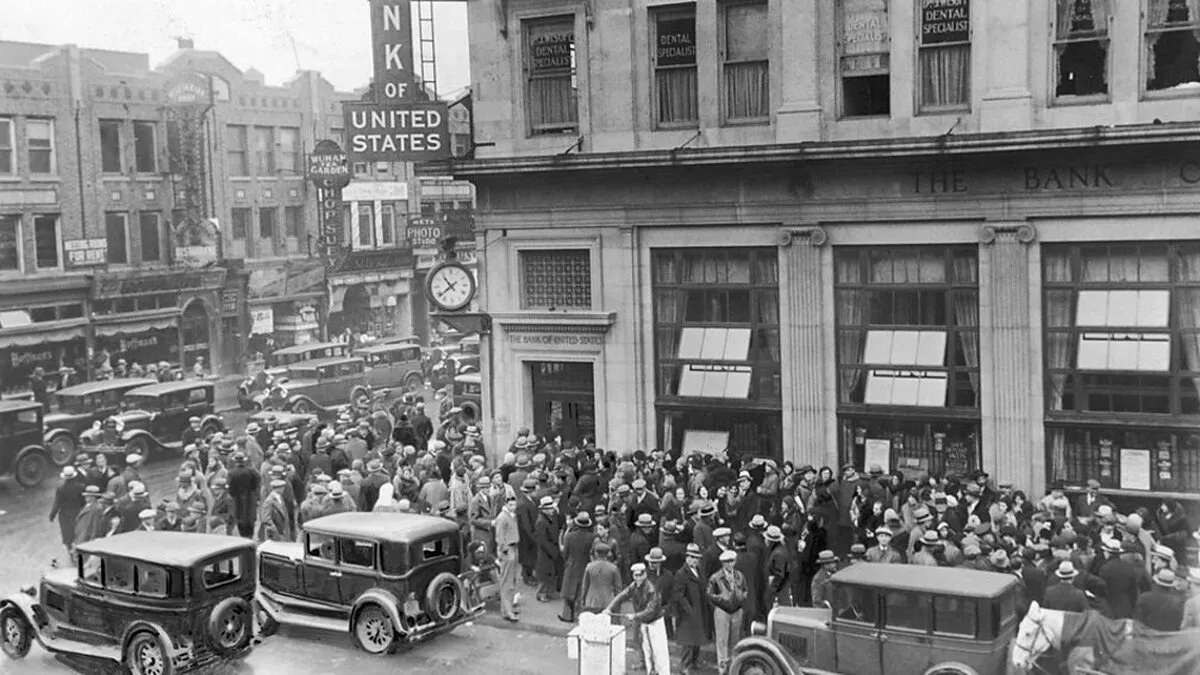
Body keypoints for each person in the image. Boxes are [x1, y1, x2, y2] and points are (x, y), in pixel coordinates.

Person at [606, 562, 670, 675]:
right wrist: (609, 608)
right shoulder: (633, 586)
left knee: (659, 653)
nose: (638, 578)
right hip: (644, 622)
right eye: (636, 575)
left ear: (645, 574)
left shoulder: (651, 589)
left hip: (655, 623)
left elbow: (651, 610)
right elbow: (621, 596)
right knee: (647, 652)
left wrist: (635, 616)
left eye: (640, 575)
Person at [707, 549, 747, 675]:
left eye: (732, 561)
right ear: (722, 563)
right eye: (727, 562)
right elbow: (709, 594)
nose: (730, 564)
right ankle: (723, 669)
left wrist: (740, 599)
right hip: (722, 611)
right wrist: (721, 600)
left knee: (735, 640)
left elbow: (745, 590)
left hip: (737, 610)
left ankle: (734, 666)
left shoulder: (739, 576)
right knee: (722, 640)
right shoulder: (715, 577)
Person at [673, 543, 711, 675]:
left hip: (699, 608)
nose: (695, 560)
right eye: (692, 557)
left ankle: (694, 662)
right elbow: (678, 595)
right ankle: (684, 665)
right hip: (687, 612)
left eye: (697, 558)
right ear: (687, 558)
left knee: (697, 638)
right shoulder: (681, 574)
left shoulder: (699, 570)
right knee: (688, 640)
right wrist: (688, 608)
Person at [493, 490, 521, 622]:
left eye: (514, 505)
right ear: (505, 504)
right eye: (510, 505)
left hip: (514, 547)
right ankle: (507, 612)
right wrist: (505, 550)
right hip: (508, 550)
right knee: (506, 582)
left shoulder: (512, 515)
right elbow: (499, 537)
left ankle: (508, 609)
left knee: (512, 581)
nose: (513, 507)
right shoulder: (502, 517)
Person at [49, 466, 86, 556]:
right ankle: (79, 549)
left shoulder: (61, 489)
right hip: (78, 512)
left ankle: (70, 550)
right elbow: (83, 501)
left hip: (65, 514)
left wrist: (52, 515)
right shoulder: (81, 487)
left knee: (67, 533)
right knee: (78, 531)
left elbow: (57, 503)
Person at [578, 543, 622, 616]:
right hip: (608, 602)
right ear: (608, 554)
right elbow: (618, 588)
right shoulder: (613, 568)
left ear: (596, 553)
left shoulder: (589, 567)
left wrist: (582, 599)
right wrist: (617, 604)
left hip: (591, 601)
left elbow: (584, 586)